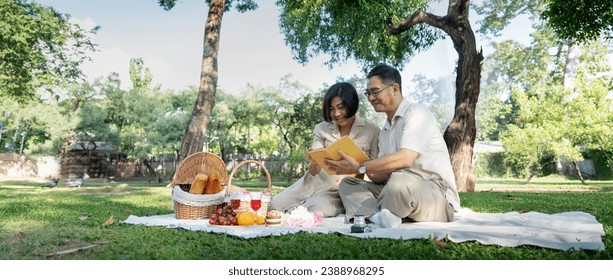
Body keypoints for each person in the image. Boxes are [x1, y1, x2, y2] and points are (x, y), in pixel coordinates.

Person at [324, 64, 461, 228]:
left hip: (434, 194)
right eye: (368, 93)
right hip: (396, 190)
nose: (370, 98)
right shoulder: (385, 131)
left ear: (395, 89)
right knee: (348, 184)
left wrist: (361, 165)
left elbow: (405, 159)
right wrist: (355, 165)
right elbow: (380, 176)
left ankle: (380, 212)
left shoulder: (417, 113)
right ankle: (378, 216)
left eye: (375, 91)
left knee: (398, 182)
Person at [271, 82, 380, 217]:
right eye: (331, 109)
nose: (336, 114)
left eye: (341, 107)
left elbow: (375, 169)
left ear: (352, 104)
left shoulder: (372, 130)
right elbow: (313, 171)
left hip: (340, 191)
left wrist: (357, 167)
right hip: (311, 184)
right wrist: (315, 162)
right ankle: (292, 209)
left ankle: (296, 212)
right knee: (273, 205)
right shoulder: (321, 128)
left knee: (317, 209)